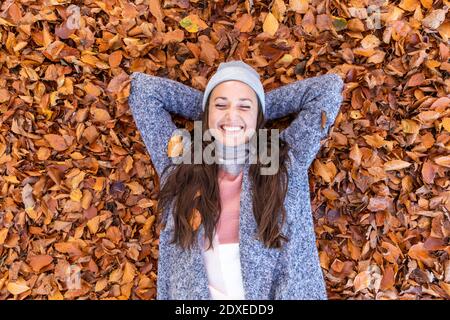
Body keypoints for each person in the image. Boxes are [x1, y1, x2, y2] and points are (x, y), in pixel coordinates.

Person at [127, 60, 344, 299]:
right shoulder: (181, 159)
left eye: (244, 106)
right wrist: (216, 112)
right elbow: (144, 92)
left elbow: (328, 90)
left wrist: (256, 110)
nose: (231, 115)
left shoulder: (285, 160)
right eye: (221, 105)